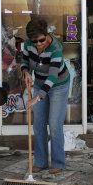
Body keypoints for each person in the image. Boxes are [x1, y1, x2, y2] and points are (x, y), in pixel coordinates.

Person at [21, 18, 71, 175]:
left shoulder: (56, 49)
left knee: (54, 124)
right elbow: (24, 60)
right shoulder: (29, 44)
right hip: (39, 83)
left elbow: (53, 77)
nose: (38, 44)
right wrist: (26, 72)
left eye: (41, 40)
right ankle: (41, 162)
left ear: (47, 34)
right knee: (39, 123)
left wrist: (38, 97)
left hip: (58, 85)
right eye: (34, 41)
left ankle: (58, 163)